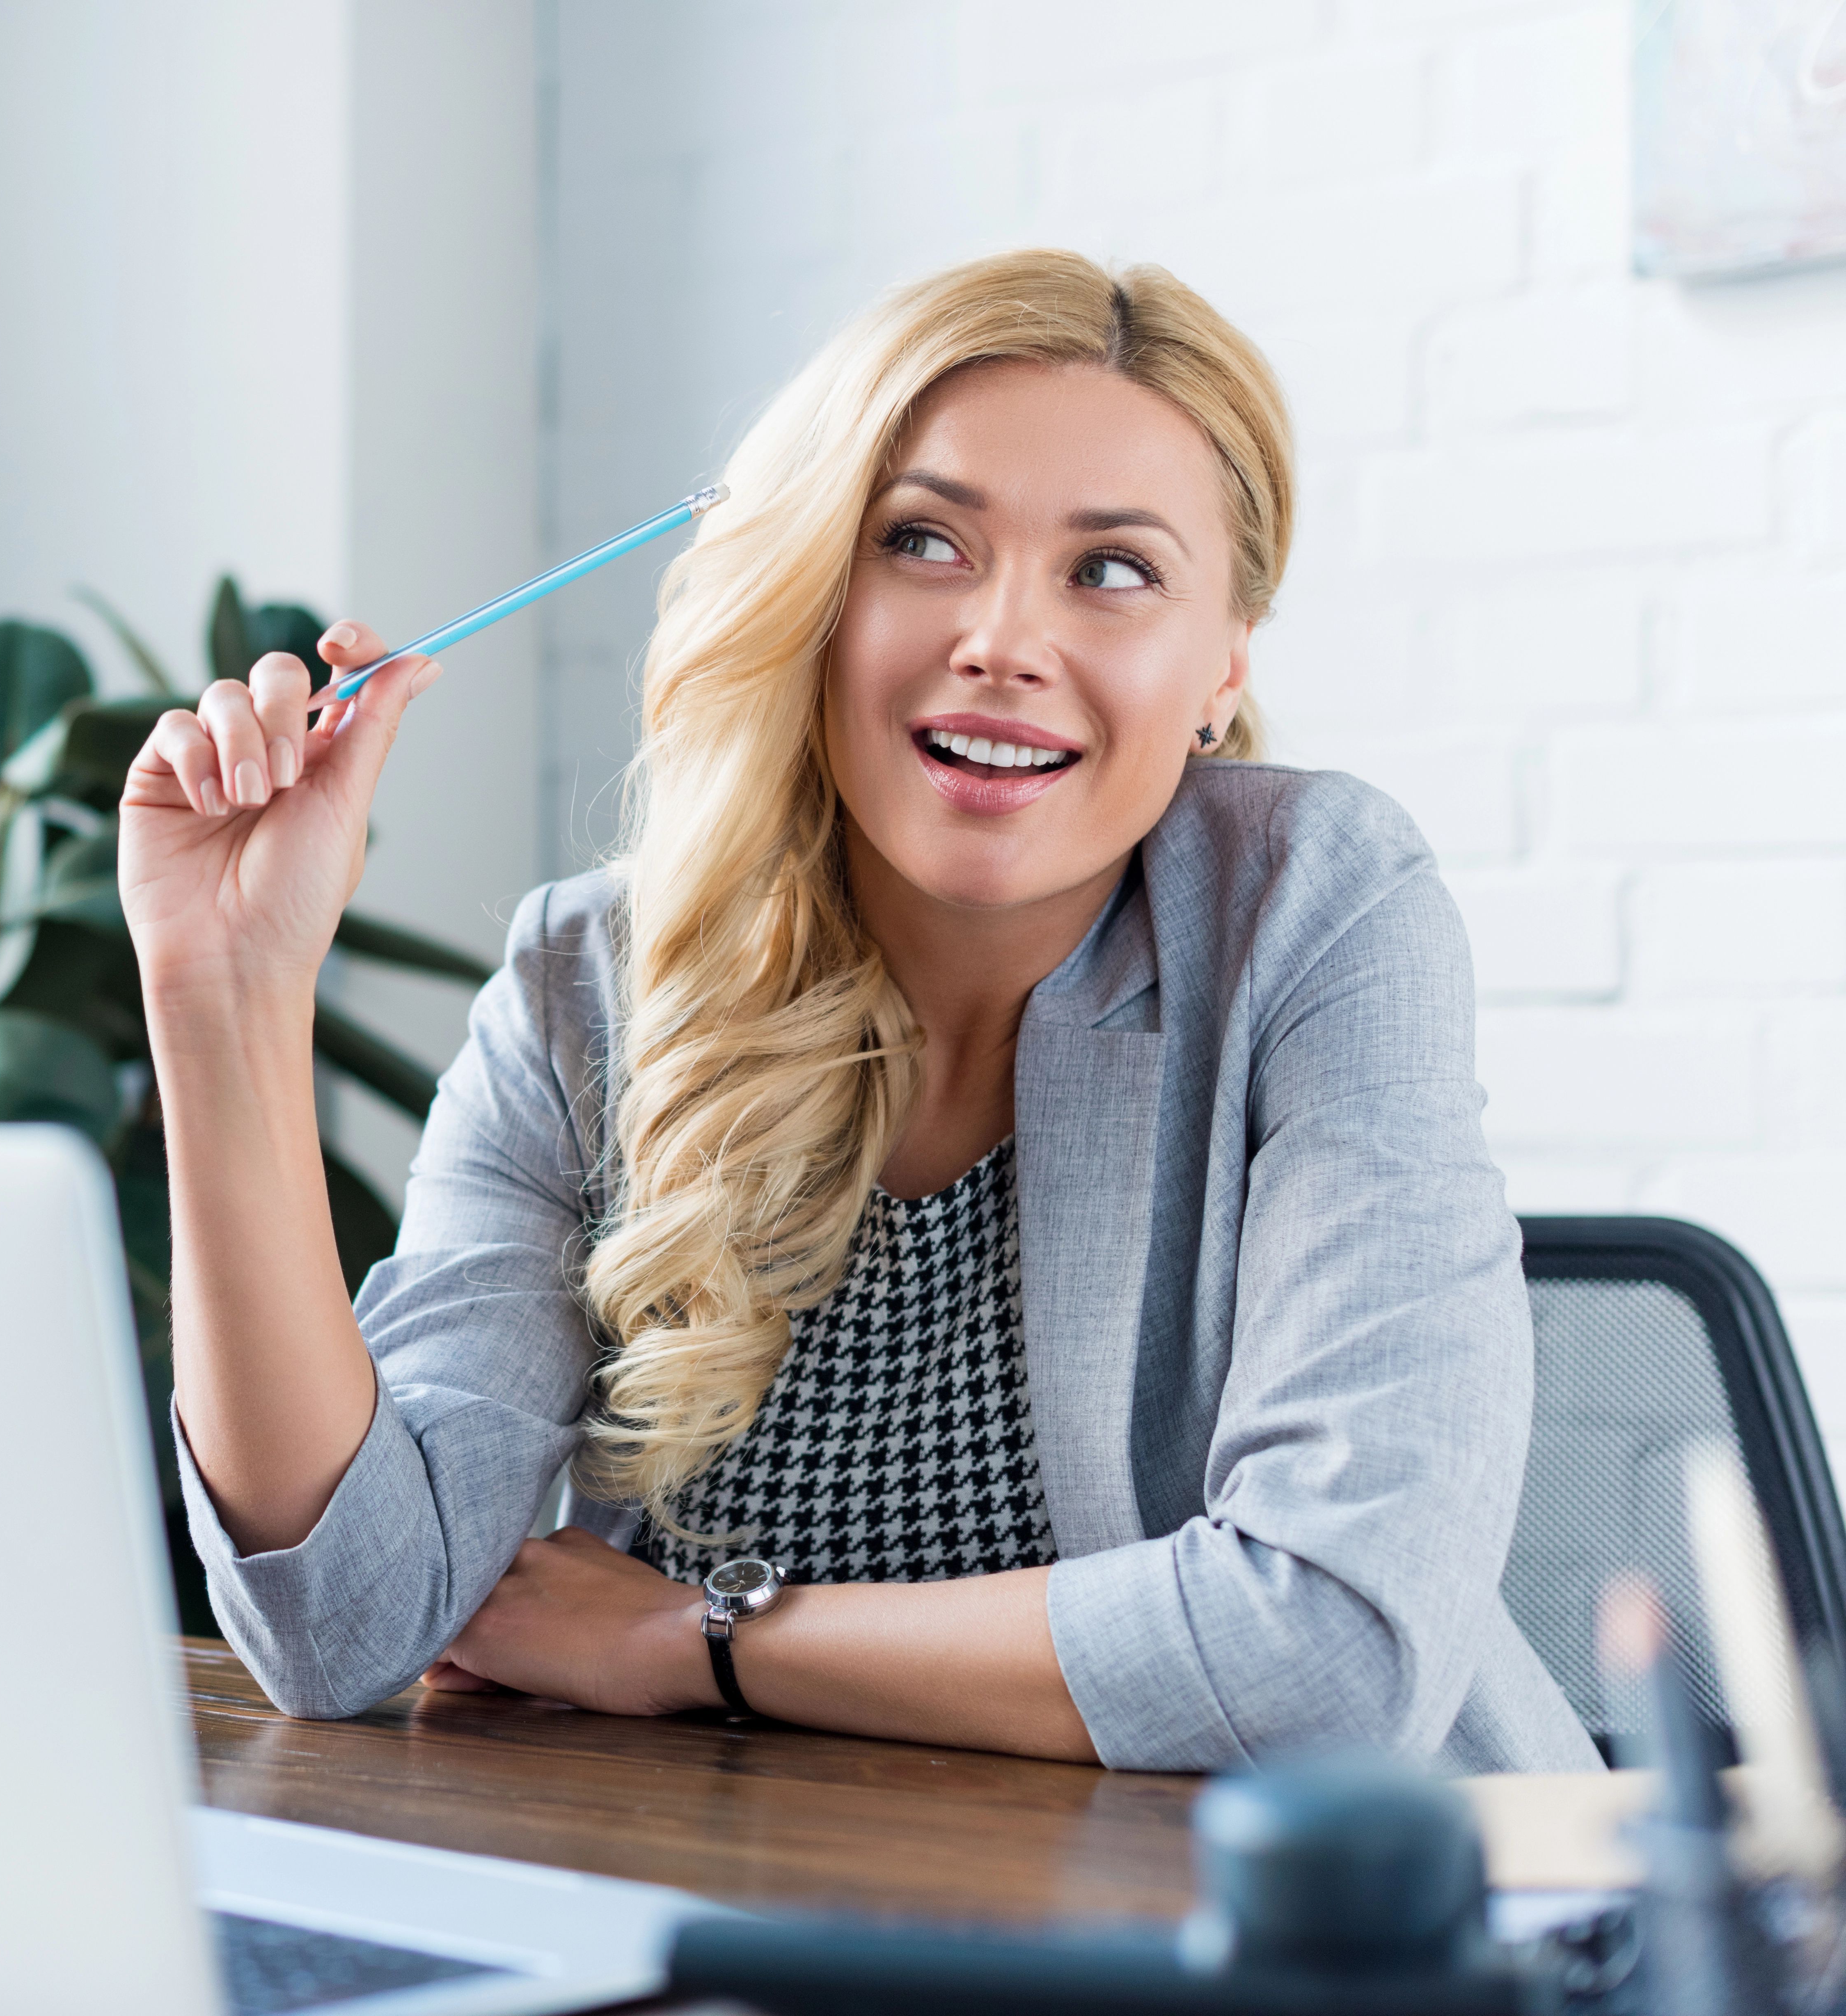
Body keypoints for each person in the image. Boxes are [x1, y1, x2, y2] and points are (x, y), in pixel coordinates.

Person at [117, 247, 1598, 1774]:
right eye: (923, 542)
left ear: (1221, 667)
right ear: (816, 589)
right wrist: (225, 993)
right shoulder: (594, 986)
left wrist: (695, 1642)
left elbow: (1334, 1658)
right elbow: (345, 1626)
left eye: (1111, 571)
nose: (1005, 642)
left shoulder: (1317, 907)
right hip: (785, 1914)